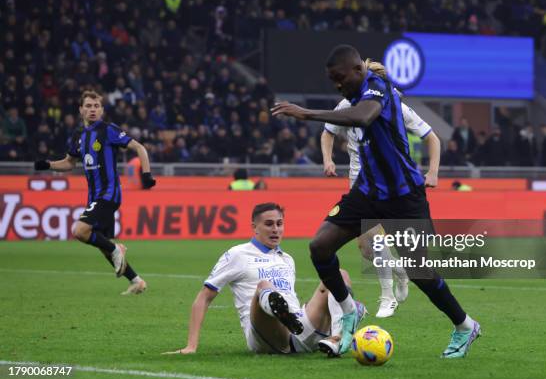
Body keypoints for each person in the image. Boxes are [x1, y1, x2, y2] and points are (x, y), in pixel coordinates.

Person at [272, 44, 480, 358]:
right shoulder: (353, 94)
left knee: (420, 272)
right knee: (319, 246)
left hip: (404, 196)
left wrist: (307, 113)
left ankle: (465, 326)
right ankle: (348, 308)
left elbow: (364, 117)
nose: (337, 85)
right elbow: (343, 123)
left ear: (358, 70)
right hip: (367, 193)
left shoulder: (378, 89)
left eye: (340, 78)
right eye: (332, 81)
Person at [321, 58, 442, 318]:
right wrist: (328, 159)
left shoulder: (395, 105)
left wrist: (432, 172)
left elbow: (432, 137)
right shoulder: (347, 104)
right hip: (359, 185)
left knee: (379, 242)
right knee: (367, 249)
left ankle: (387, 296)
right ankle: (399, 272)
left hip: (390, 185)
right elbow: (328, 131)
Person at [163, 202, 365, 355]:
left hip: (300, 333)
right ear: (255, 227)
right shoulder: (237, 254)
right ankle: (283, 314)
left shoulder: (287, 259)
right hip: (264, 337)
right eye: (269, 224)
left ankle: (338, 337)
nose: (275, 229)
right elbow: (204, 297)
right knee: (264, 286)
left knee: (339, 275)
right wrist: (191, 345)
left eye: (279, 224)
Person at [33, 90, 156, 295]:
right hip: (95, 196)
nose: (92, 110)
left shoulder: (108, 130)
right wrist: (48, 164)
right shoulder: (79, 136)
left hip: (109, 194)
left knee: (80, 231)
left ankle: (118, 249)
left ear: (102, 110)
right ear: (80, 110)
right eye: (88, 106)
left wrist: (146, 175)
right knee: (103, 246)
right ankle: (136, 281)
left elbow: (139, 148)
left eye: (96, 106)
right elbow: (69, 162)